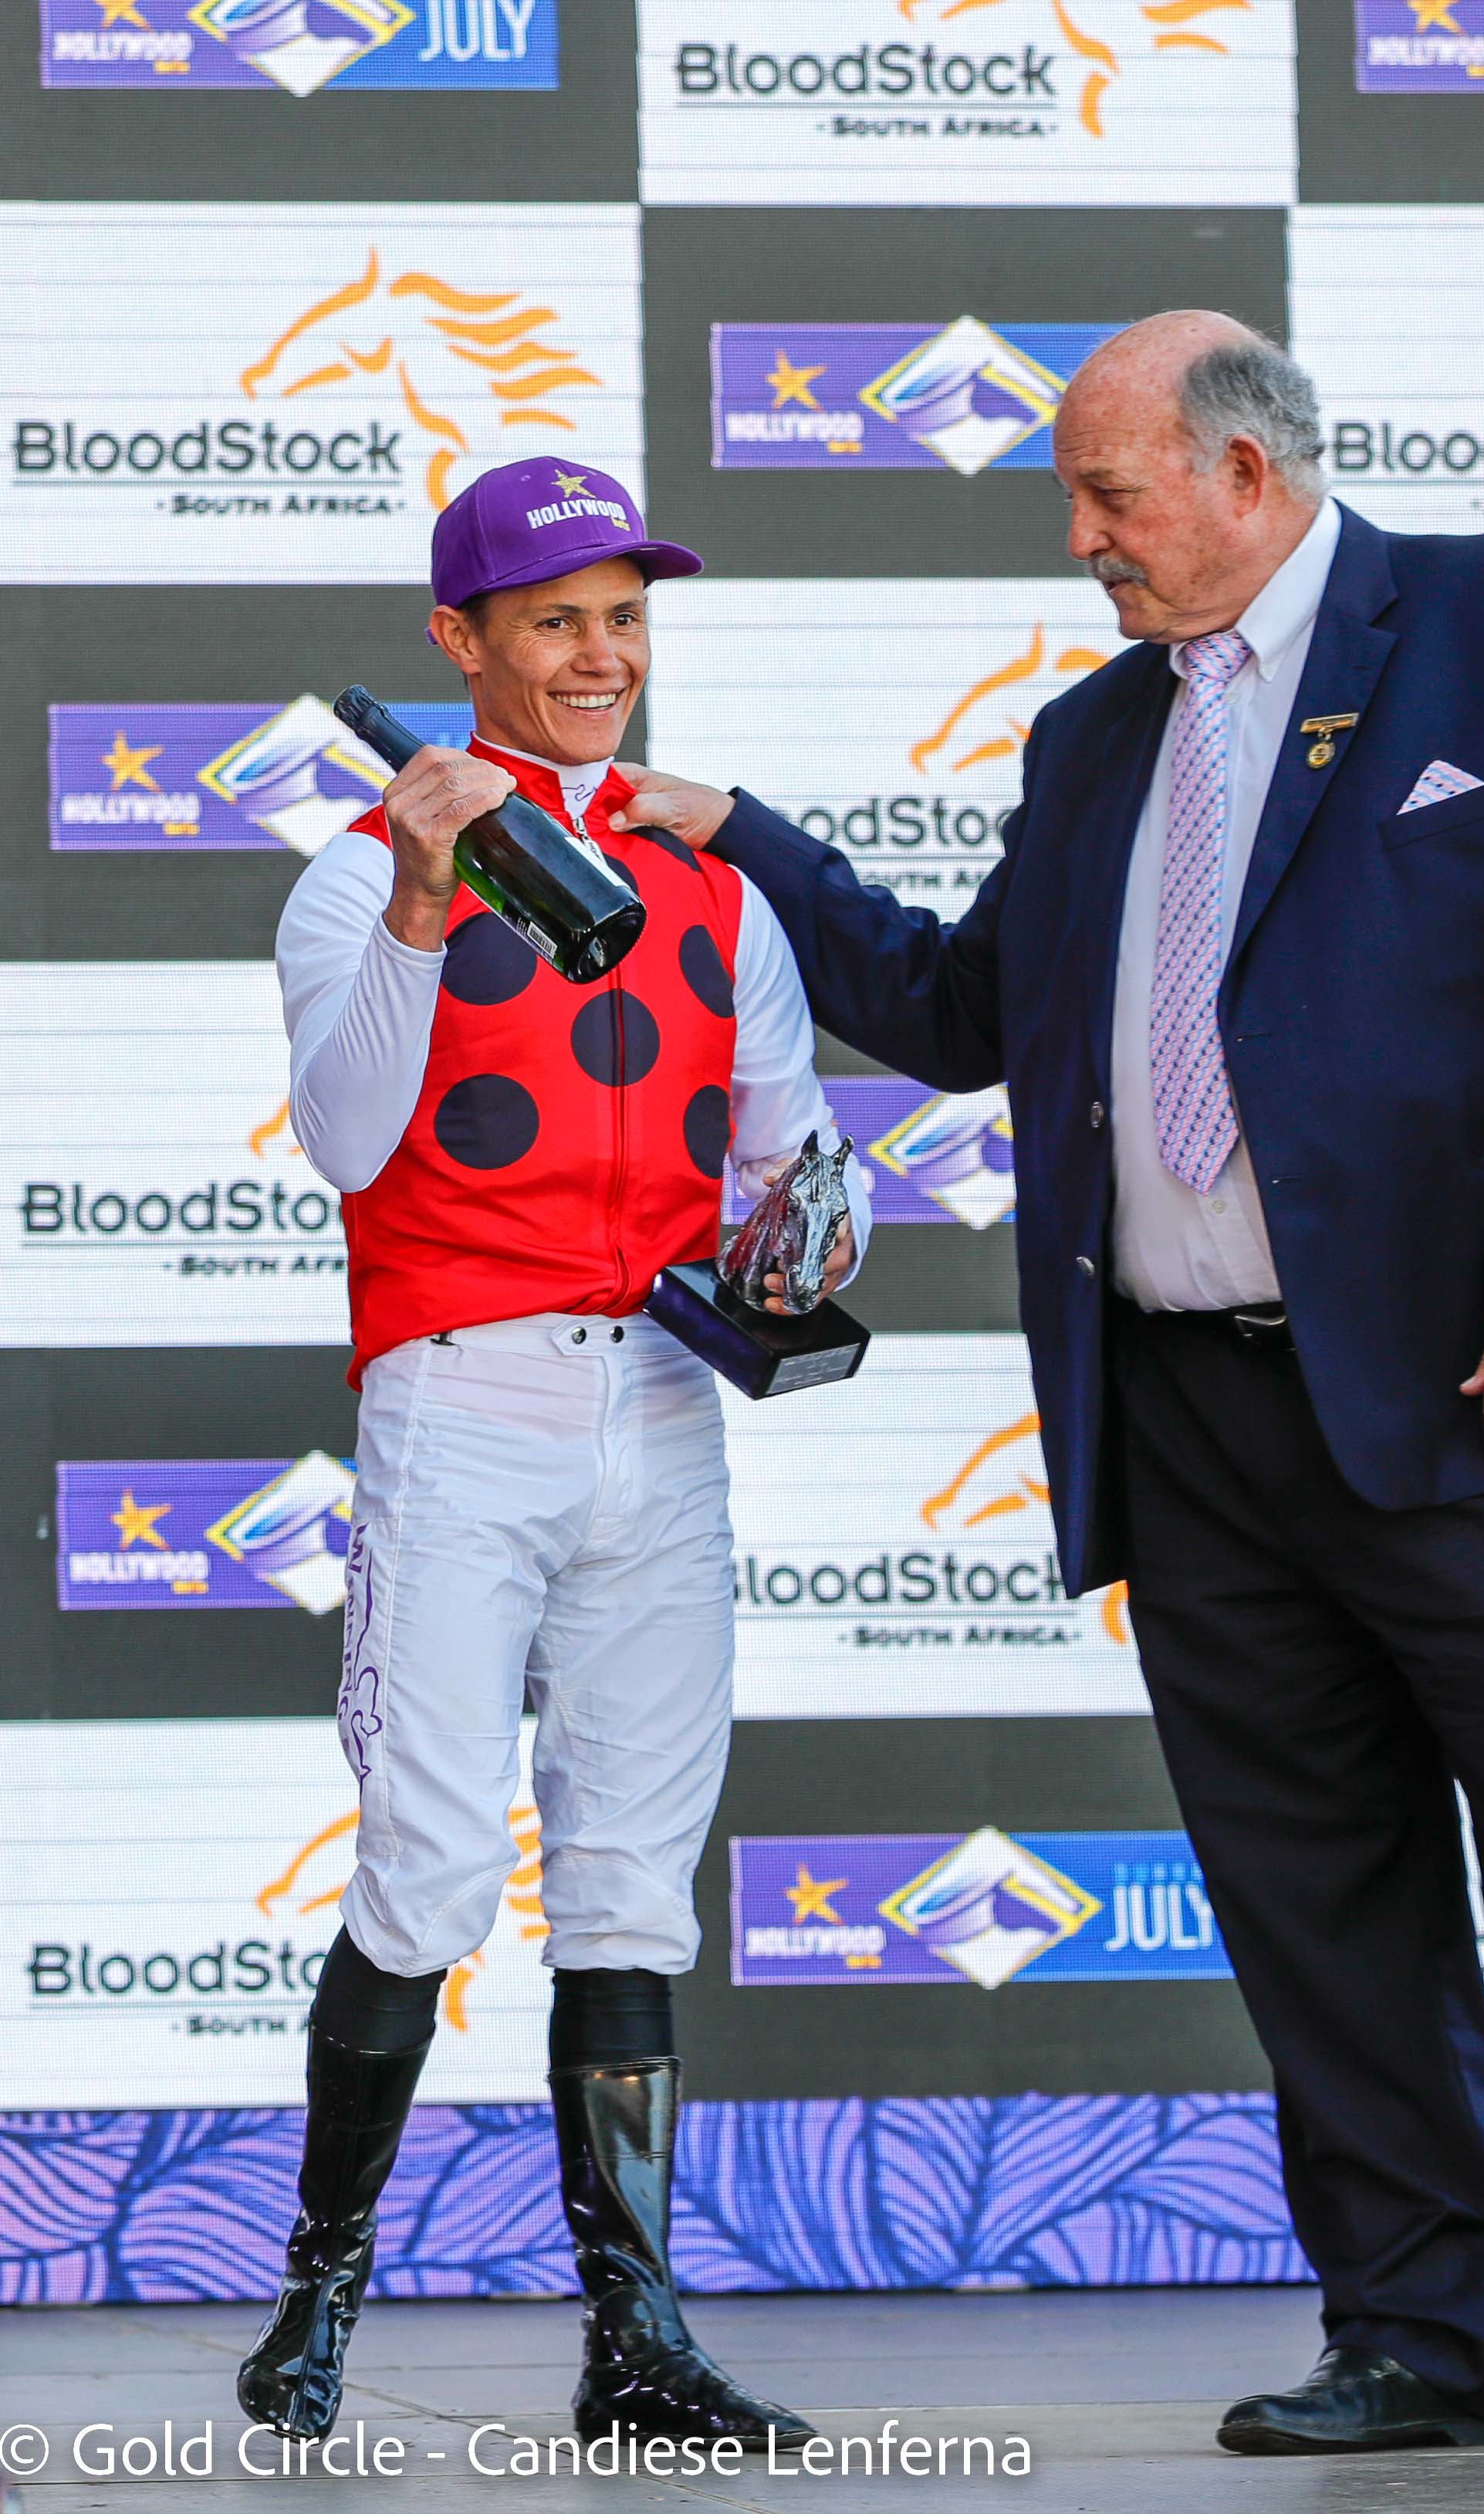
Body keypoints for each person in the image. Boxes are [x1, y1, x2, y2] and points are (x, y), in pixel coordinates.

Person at [612, 314, 1484, 2455]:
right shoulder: (1091, 738)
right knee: (1318, 1904)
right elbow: (962, 1007)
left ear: (1248, 472)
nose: (1084, 540)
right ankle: (1414, 2334)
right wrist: (740, 839)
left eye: (1111, 495)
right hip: (1198, 1427)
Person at [243, 457, 862, 2448]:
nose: (603, 657)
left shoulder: (715, 890)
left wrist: (807, 1241)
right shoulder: (358, 871)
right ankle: (317, 2305)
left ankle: (638, 2347)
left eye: (624, 618)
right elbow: (349, 1138)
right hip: (461, 1400)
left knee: (629, 1888)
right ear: (461, 642)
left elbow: (787, 1157)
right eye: (556, 622)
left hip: (666, 1409)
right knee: (428, 1869)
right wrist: (429, 903)